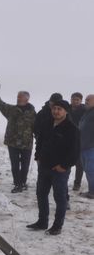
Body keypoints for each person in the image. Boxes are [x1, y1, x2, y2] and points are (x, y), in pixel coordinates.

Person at [28, 100, 79, 235]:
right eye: (54, 108)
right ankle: (42, 221)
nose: (56, 111)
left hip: (59, 170)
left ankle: (57, 226)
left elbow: (74, 152)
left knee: (60, 197)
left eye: (59, 109)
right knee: (41, 194)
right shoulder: (47, 124)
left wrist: (64, 166)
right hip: (44, 166)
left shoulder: (71, 129)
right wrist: (38, 156)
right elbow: (40, 141)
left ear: (66, 111)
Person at [0, 91, 36, 193]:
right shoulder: (11, 110)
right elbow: (1, 105)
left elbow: (37, 128)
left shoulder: (33, 113)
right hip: (13, 143)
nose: (18, 99)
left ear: (27, 100)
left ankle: (23, 183)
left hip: (26, 143)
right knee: (15, 165)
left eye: (20, 98)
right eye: (17, 97)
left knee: (25, 165)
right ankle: (17, 184)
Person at [69, 92, 86, 191]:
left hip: (79, 139)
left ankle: (77, 183)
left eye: (77, 100)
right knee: (65, 161)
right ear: (71, 99)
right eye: (73, 99)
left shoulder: (84, 110)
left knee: (79, 164)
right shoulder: (66, 108)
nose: (75, 101)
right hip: (67, 139)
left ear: (80, 101)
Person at [80, 94, 94, 199]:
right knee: (87, 169)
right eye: (85, 100)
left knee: (90, 170)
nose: (86, 101)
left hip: (91, 147)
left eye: (88, 100)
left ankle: (92, 192)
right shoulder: (87, 113)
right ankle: (91, 190)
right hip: (83, 146)